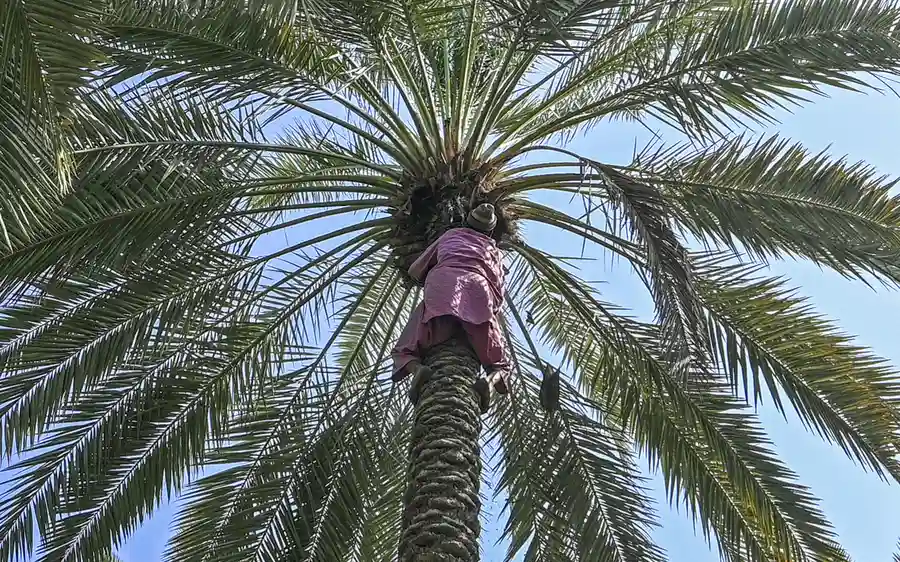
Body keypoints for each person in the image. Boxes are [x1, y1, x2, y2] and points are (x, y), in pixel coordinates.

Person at [391, 203, 509, 414]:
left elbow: (415, 271)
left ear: (468, 221)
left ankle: (417, 369)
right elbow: (498, 293)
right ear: (491, 231)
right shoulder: (495, 251)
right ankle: (491, 380)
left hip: (442, 286)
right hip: (478, 291)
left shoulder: (451, 235)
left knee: (405, 348)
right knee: (500, 364)